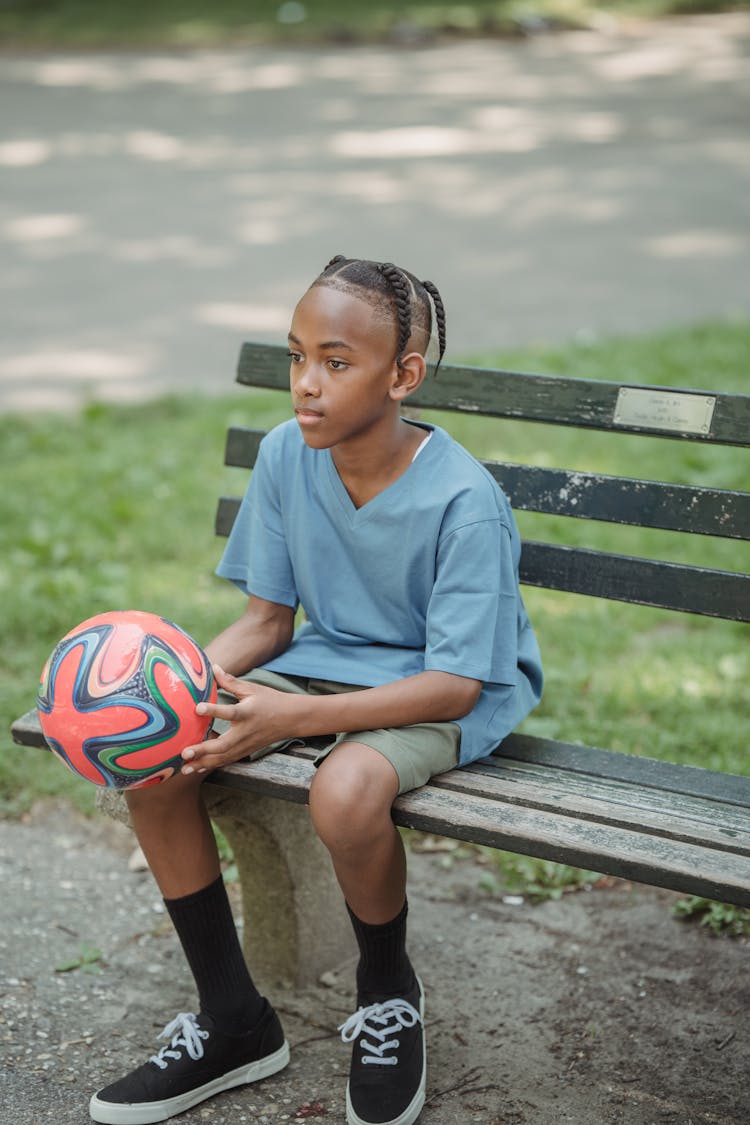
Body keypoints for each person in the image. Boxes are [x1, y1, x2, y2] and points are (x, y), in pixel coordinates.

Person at [88, 255, 543, 1125]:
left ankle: (387, 992)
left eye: (337, 363)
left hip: (439, 686)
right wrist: (172, 688)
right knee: (157, 760)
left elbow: (452, 683)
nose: (306, 385)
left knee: (345, 788)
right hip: (324, 662)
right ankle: (234, 1021)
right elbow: (266, 621)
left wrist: (293, 717)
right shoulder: (286, 455)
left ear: (403, 375)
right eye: (298, 357)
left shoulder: (464, 501)